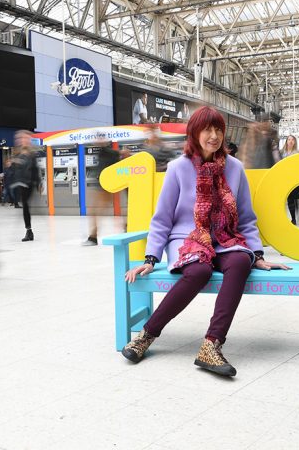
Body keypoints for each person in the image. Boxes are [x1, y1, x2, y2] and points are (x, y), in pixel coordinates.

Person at [121, 106, 290, 377]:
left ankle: (211, 346)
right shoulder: (178, 168)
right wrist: (150, 259)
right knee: (198, 270)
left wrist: (257, 254)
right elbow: (162, 218)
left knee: (239, 261)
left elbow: (246, 217)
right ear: (194, 134)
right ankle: (147, 335)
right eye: (207, 129)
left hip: (224, 239)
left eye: (218, 129)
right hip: (187, 238)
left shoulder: (235, 168)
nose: (214, 135)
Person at [82, 140, 120, 246]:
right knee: (94, 211)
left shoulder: (111, 153)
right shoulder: (101, 153)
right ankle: (93, 236)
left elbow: (116, 168)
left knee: (97, 212)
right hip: (99, 186)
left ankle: (93, 237)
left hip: (105, 187)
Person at [10, 130, 40, 242]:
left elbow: (36, 170)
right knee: (25, 207)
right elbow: (14, 169)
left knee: (26, 206)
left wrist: (38, 183)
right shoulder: (18, 153)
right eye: (21, 138)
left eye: (24, 138)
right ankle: (29, 231)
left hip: (29, 183)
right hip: (21, 183)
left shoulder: (31, 154)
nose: (22, 140)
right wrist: (14, 163)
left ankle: (29, 231)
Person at [280, 135, 299, 225]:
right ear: (286, 141)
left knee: (293, 198)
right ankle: (293, 218)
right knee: (290, 199)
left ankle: (295, 217)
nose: (291, 141)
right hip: (285, 179)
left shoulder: (297, 152)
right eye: (289, 139)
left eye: (293, 140)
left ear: (295, 142)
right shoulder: (281, 153)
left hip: (295, 178)